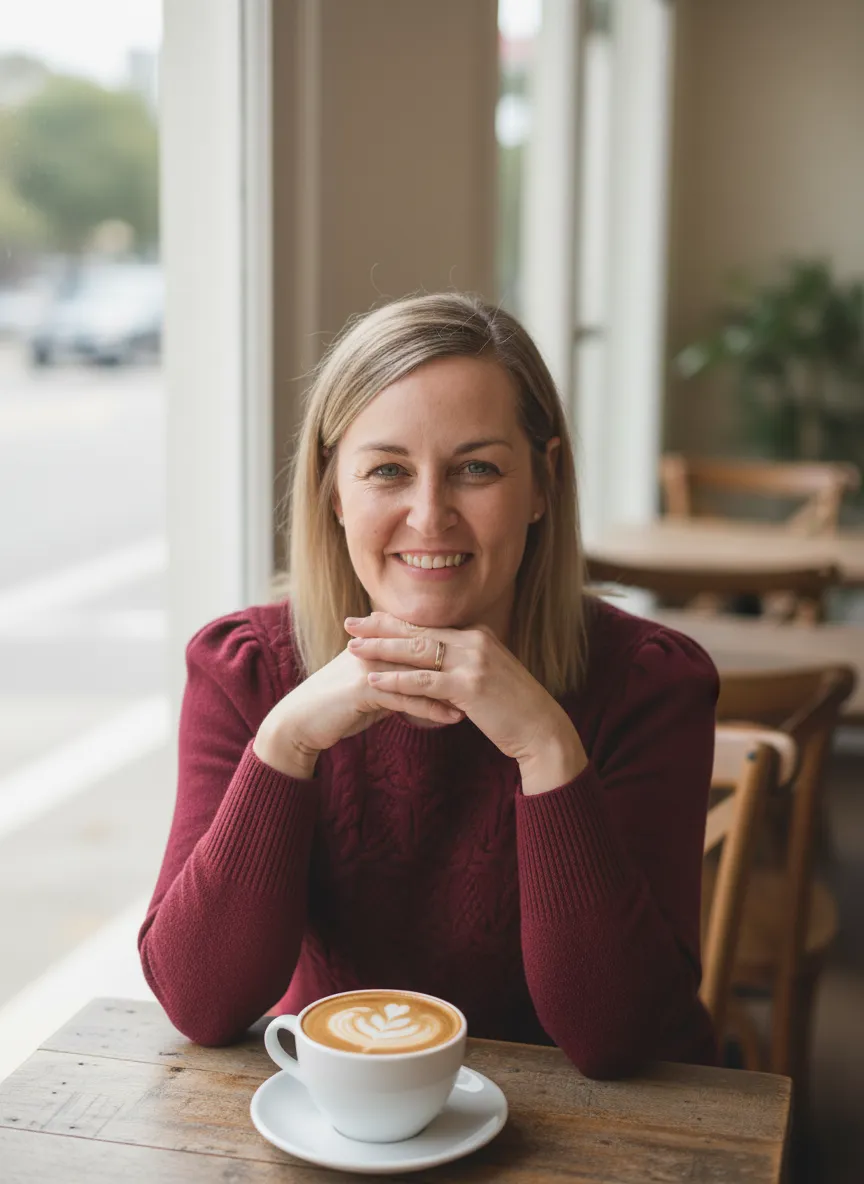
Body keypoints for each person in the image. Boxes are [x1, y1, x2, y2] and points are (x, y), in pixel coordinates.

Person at [139, 292, 718, 1079]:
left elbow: (619, 1039)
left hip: (585, 1137)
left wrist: (546, 745)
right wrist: (286, 740)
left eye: (476, 468)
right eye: (387, 471)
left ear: (543, 484)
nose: (429, 515)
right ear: (332, 490)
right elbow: (199, 1006)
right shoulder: (246, 668)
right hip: (346, 1122)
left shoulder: (651, 685)